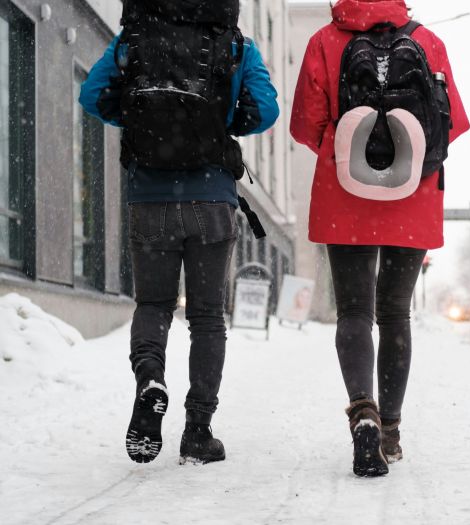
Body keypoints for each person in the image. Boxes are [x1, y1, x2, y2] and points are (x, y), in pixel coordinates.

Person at [80, 0, 279, 465]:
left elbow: (92, 95)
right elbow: (265, 110)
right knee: (208, 317)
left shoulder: (133, 40)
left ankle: (151, 379)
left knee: (153, 304)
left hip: (149, 196)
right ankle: (198, 430)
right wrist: (221, 124)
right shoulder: (233, 43)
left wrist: (137, 119)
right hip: (212, 198)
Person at [290, 0, 469, 476]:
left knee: (353, 311)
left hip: (344, 190)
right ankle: (389, 430)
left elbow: (305, 125)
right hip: (412, 192)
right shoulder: (428, 42)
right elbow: (452, 125)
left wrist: (350, 152)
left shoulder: (324, 42)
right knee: (394, 313)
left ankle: (362, 412)